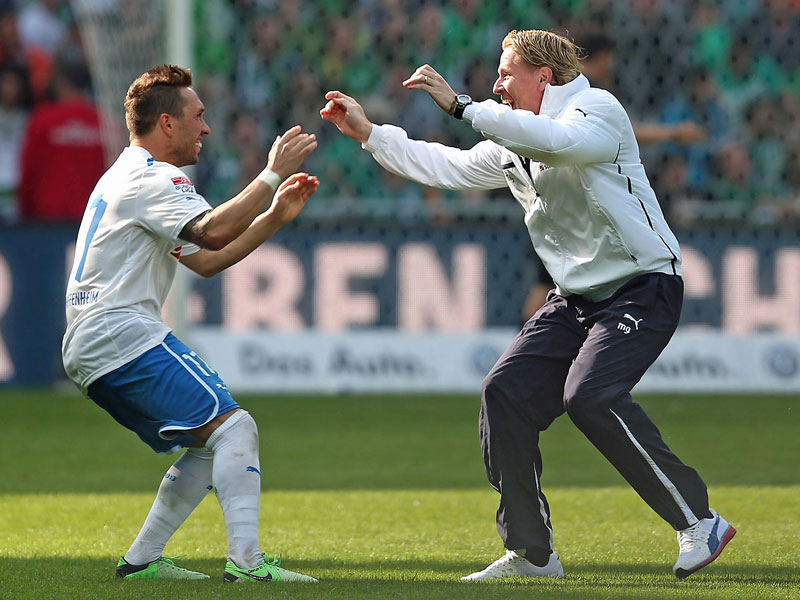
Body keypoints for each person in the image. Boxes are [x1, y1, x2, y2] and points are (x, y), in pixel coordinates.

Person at [321, 29, 735, 581]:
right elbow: (449, 168)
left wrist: (463, 105)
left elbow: (559, 144)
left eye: (506, 73)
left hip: (643, 285)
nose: (496, 83)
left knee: (591, 396)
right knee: (504, 393)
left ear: (544, 77)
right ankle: (532, 552)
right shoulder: (513, 138)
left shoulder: (596, 109)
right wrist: (371, 133)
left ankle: (698, 520)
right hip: (576, 299)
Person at [62, 65, 320, 583]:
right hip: (119, 329)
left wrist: (273, 216)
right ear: (167, 123)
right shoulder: (154, 177)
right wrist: (269, 173)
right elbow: (215, 232)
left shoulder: (127, 176)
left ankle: (141, 562)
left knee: (210, 438)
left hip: (94, 341)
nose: (206, 128)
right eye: (198, 117)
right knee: (235, 427)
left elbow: (203, 259)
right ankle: (247, 565)